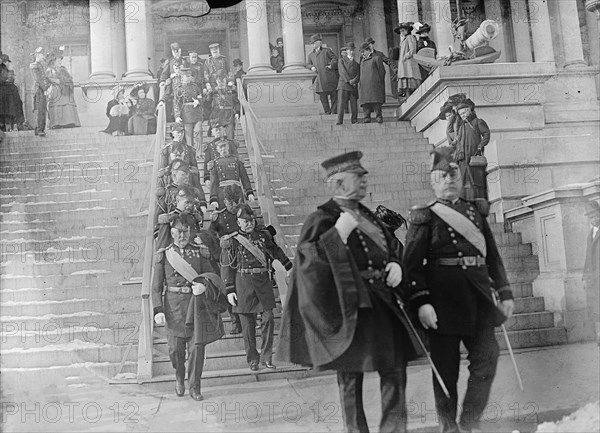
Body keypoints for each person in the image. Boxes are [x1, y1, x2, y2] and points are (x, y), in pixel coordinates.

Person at [277, 151, 419, 433]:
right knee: (350, 380)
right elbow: (307, 265)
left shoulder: (370, 216)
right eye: (358, 176)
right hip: (348, 309)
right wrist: (336, 235)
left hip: (382, 304)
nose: (365, 180)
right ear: (337, 184)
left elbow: (390, 247)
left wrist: (395, 264)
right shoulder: (322, 218)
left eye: (364, 176)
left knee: (394, 369)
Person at [403, 146, 514, 433]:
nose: (449, 179)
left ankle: (469, 421)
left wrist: (504, 291)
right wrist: (421, 302)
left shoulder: (475, 211)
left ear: (461, 177)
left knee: (487, 360)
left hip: (478, 299)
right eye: (443, 175)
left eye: (453, 174)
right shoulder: (424, 216)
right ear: (433, 180)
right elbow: (411, 266)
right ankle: (448, 426)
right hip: (442, 304)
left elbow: (491, 255)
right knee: (446, 371)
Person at [152, 214, 227, 401]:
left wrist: (204, 286)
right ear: (172, 232)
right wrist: (158, 310)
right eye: (178, 232)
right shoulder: (165, 254)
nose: (182, 236)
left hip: (196, 307)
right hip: (174, 309)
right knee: (175, 351)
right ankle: (179, 376)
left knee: (197, 349)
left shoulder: (199, 252)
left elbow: (213, 276)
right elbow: (156, 287)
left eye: (186, 232)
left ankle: (195, 387)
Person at [221, 204, 293, 371]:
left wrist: (289, 267)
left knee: (268, 319)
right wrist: (230, 289)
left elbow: (276, 251)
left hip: (263, 282)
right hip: (243, 283)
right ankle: (252, 359)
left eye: (251, 220)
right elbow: (226, 267)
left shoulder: (263, 236)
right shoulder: (232, 240)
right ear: (238, 222)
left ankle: (266, 357)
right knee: (248, 327)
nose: (249, 223)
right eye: (244, 221)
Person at [209, 184, 245, 335]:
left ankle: (247, 319)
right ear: (225, 201)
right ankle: (235, 321)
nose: (233, 207)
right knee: (228, 288)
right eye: (230, 204)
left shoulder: (245, 212)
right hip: (226, 259)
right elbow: (211, 237)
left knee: (244, 287)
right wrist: (219, 254)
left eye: (236, 203)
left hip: (244, 255)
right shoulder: (219, 216)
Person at [155, 160, 207, 251]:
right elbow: (159, 215)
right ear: (174, 175)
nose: (187, 177)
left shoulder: (192, 191)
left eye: (188, 174)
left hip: (191, 231)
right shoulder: (166, 192)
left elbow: (199, 214)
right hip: (172, 232)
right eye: (183, 174)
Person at [454, 101, 490, 200]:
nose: (462, 116)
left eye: (464, 113)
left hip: (473, 156)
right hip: (463, 160)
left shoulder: (477, 122)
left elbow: (486, 134)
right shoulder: (461, 127)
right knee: (465, 183)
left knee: (477, 181)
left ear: (469, 111)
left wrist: (480, 146)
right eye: (460, 114)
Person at [209, 139, 254, 210]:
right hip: (222, 193)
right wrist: (213, 198)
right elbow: (213, 182)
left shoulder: (237, 160)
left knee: (241, 212)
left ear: (228, 147)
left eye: (225, 146)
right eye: (220, 147)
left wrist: (249, 192)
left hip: (237, 191)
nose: (223, 149)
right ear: (217, 149)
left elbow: (244, 178)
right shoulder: (215, 163)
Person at [160, 122, 201, 188]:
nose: (180, 135)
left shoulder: (189, 149)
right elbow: (162, 170)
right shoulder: (167, 150)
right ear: (173, 133)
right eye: (178, 133)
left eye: (182, 133)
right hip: (171, 183)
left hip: (186, 182)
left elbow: (195, 169)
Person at [173, 66, 204, 152]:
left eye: (190, 76)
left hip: (197, 113)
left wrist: (198, 101)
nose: (190, 77)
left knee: (199, 131)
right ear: (182, 78)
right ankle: (190, 154)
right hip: (186, 113)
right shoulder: (179, 89)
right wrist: (177, 116)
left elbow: (201, 98)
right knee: (188, 135)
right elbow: (176, 104)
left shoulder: (196, 87)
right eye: (187, 76)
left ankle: (199, 153)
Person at [307, 33, 339, 115]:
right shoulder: (311, 55)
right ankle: (327, 112)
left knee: (333, 95)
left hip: (330, 77)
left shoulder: (327, 50)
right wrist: (311, 67)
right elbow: (308, 64)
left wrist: (331, 65)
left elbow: (335, 58)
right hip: (320, 79)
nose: (312, 45)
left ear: (318, 43)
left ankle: (334, 112)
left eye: (314, 43)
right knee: (322, 97)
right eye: (312, 43)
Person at [583, 200, 600, 344]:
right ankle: (598, 333)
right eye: (591, 217)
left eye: (596, 216)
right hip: (594, 276)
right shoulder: (591, 234)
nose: (594, 219)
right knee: (595, 304)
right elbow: (588, 256)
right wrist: (586, 275)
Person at [203, 121, 239, 186]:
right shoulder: (209, 146)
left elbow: (236, 158)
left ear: (223, 130)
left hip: (230, 173)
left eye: (220, 129)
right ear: (212, 132)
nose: (218, 132)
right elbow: (207, 162)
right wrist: (207, 178)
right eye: (216, 130)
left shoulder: (230, 143)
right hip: (216, 174)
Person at [358, 42, 386, 124]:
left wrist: (378, 80)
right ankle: (367, 117)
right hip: (364, 85)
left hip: (375, 83)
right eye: (361, 52)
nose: (362, 54)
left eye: (363, 51)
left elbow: (382, 71)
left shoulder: (376, 58)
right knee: (365, 102)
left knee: (376, 101)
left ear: (368, 50)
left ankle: (379, 116)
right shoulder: (362, 60)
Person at [206, 74, 239, 140]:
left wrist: (237, 112)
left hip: (229, 115)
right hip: (217, 115)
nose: (221, 83)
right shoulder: (213, 91)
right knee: (218, 137)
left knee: (230, 135)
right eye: (219, 81)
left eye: (223, 81)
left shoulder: (231, 90)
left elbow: (236, 102)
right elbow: (207, 101)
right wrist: (209, 93)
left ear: (226, 81)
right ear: (217, 81)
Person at [395, 22, 421, 102]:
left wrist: (406, 55)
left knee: (410, 76)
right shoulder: (403, 40)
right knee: (405, 77)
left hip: (409, 62)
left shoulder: (410, 37)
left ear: (407, 30)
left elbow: (412, 49)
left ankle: (410, 94)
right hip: (404, 63)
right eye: (401, 31)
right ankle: (407, 95)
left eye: (403, 30)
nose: (402, 33)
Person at [0, 51, 25, 132]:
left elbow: (10, 79)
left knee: (9, 109)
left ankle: (11, 126)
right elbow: (7, 80)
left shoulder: (7, 70)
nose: (8, 63)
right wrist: (7, 80)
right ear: (5, 62)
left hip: (8, 92)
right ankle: (11, 126)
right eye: (7, 62)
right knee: (9, 109)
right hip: (7, 93)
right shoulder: (4, 70)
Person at [29, 47, 51, 136]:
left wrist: (48, 86)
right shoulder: (34, 65)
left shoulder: (41, 65)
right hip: (38, 89)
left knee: (42, 108)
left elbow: (45, 78)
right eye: (42, 54)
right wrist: (45, 88)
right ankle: (39, 129)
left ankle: (39, 128)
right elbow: (38, 79)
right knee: (40, 109)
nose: (43, 56)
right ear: (37, 55)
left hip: (42, 88)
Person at [336, 46, 359, 125]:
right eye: (350, 50)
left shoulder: (356, 63)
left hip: (353, 86)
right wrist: (350, 81)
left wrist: (355, 81)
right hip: (344, 85)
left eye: (353, 50)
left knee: (354, 105)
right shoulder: (341, 60)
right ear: (346, 51)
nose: (352, 52)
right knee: (341, 104)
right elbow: (342, 72)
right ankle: (339, 120)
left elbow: (358, 74)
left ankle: (354, 120)